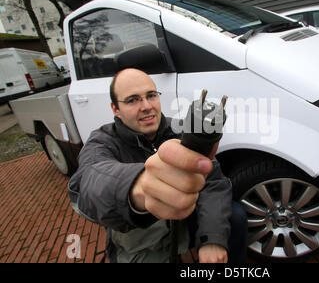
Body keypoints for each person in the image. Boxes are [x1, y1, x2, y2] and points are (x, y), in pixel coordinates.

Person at [68, 68, 247, 263]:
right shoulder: (102, 141)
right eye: (132, 100)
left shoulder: (180, 130)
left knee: (234, 216)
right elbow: (88, 181)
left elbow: (214, 184)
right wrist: (137, 187)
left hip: (184, 221)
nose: (146, 106)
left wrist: (212, 238)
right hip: (140, 236)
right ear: (115, 109)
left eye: (151, 95)